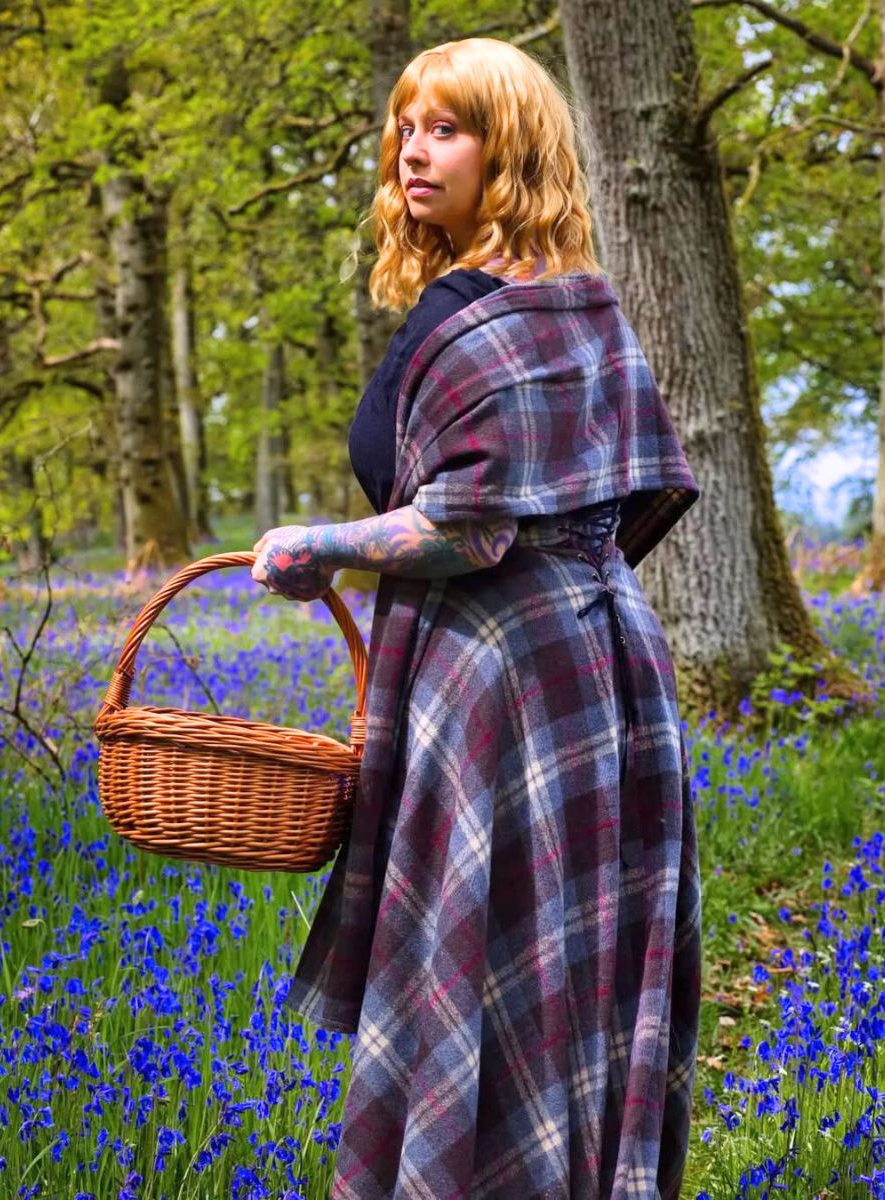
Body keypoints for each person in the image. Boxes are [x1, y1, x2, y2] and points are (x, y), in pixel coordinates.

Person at [251, 36, 702, 1200]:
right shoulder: (565, 304)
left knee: (527, 952)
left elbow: (472, 527)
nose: (412, 148)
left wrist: (323, 550)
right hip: (584, 664)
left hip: (511, 677)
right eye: (406, 125)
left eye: (445, 127)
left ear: (509, 150)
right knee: (536, 961)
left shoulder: (512, 310)